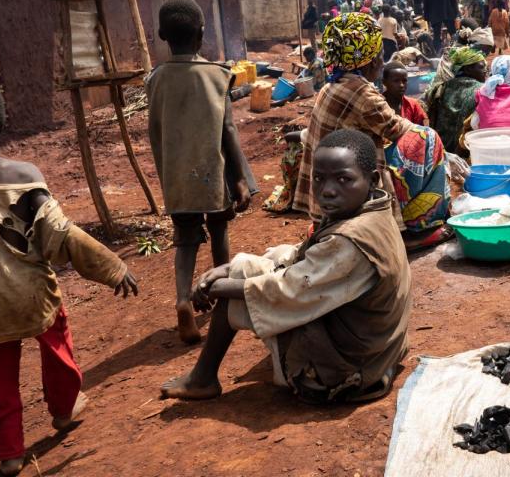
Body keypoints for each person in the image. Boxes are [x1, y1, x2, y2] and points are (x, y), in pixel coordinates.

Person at [0, 79, 138, 476]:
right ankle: (64, 409)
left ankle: (10, 454)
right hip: (35, 295)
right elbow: (61, 232)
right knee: (58, 350)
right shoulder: (26, 174)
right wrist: (114, 267)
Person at [162, 129, 412, 404]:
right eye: (319, 178)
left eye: (343, 179)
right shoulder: (371, 208)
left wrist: (222, 287)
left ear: (371, 178)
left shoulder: (350, 241)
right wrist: (228, 269)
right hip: (378, 352)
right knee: (255, 263)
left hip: (346, 375)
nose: (328, 190)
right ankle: (205, 373)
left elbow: (289, 289)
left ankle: (203, 378)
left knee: (241, 289)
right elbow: (303, 256)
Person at [146, 0, 252, 344]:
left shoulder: (155, 79)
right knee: (219, 229)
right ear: (202, 34)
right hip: (213, 173)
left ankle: (182, 300)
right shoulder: (217, 76)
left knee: (185, 240)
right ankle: (221, 296)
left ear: (162, 34)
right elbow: (229, 131)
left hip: (176, 177)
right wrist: (241, 179)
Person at [293, 13, 413, 230]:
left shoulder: (333, 84)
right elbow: (396, 129)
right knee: (427, 143)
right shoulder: (362, 92)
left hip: (325, 186)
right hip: (345, 187)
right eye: (380, 55)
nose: (381, 61)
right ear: (371, 60)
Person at [380, 62, 452, 247]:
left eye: (404, 80)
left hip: (415, 156)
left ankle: (435, 212)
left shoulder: (412, 105)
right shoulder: (378, 106)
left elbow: (424, 133)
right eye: (396, 81)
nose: (402, 85)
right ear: (385, 82)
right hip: (388, 156)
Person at [423, 46, 488, 157]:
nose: (485, 71)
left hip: (440, 151)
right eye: (481, 67)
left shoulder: (442, 88)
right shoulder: (483, 91)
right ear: (468, 69)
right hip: (466, 152)